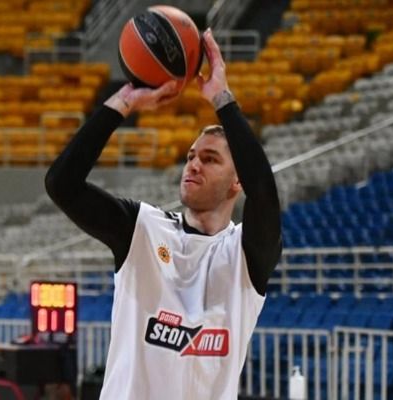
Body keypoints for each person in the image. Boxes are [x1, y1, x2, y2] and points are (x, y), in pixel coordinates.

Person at [45, 29, 282, 400]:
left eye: (210, 159)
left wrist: (221, 97)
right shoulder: (142, 229)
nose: (193, 165)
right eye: (191, 156)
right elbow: (61, 184)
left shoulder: (246, 253)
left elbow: (265, 193)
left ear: (238, 182)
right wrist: (123, 102)